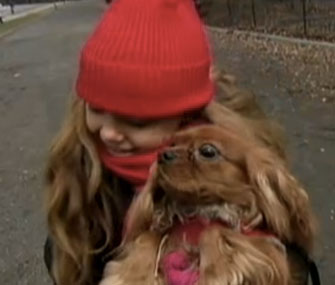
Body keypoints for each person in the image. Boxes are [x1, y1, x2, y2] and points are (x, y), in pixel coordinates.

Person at [43, 0, 309, 284]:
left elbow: (296, 256)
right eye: (95, 109)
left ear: (186, 114)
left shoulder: (244, 172)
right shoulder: (84, 171)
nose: (108, 133)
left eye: (136, 121)